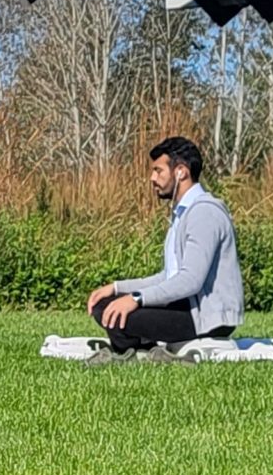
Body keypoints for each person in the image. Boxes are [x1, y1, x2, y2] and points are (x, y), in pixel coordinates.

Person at [87, 136, 244, 355]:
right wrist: (117, 288)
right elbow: (169, 277)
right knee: (105, 304)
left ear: (181, 171)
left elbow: (190, 281)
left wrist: (136, 299)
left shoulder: (204, 212)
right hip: (186, 307)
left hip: (206, 318)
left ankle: (137, 346)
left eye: (158, 171)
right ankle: (140, 343)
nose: (152, 178)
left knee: (119, 314)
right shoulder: (182, 213)